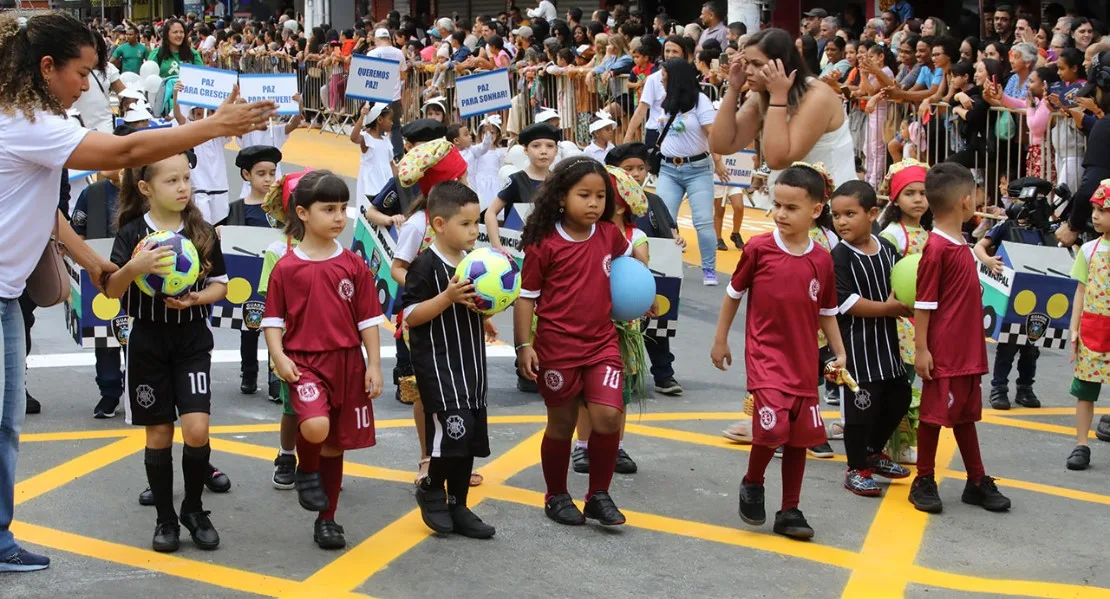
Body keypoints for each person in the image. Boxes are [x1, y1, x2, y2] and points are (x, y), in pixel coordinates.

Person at [0, 11, 274, 573]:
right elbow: (125, 154)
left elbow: (46, 214)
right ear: (46, 67)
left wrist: (96, 264)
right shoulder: (25, 123)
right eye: (81, 73)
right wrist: (216, 127)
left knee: (6, 426)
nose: (87, 85)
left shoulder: (26, 119)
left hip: (7, 297)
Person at [710, 164, 847, 540]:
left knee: (800, 437)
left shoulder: (821, 259)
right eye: (777, 205)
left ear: (816, 211)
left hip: (804, 362)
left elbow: (827, 311)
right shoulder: (759, 249)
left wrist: (839, 351)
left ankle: (790, 509)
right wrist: (720, 339)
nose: (781, 214)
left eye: (791, 207)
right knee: (774, 429)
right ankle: (753, 481)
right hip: (766, 357)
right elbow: (734, 294)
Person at [105, 148, 229, 553]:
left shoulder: (202, 231)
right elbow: (112, 290)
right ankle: (165, 518)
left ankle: (193, 508)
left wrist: (196, 300)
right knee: (158, 432)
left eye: (186, 179)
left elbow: (221, 285)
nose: (182, 188)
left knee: (196, 429)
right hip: (148, 343)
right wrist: (135, 268)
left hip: (191, 340)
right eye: (171, 181)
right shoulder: (130, 235)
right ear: (145, 188)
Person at [262, 170, 386, 550]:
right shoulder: (286, 266)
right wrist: (279, 356)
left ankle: (327, 519)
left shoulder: (353, 264)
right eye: (328, 208)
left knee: (335, 444)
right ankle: (306, 468)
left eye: (343, 208)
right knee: (314, 428)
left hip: (347, 363)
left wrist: (374, 364)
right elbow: (272, 321)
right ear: (302, 212)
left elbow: (368, 321)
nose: (338, 216)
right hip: (304, 363)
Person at [515, 158, 636, 527]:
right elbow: (526, 297)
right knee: (561, 424)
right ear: (561, 198)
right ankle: (556, 494)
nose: (594, 203)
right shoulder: (544, 243)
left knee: (608, 416)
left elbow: (627, 273)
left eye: (601, 196)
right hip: (557, 348)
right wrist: (524, 346)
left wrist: (638, 302)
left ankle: (599, 494)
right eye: (584, 195)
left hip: (602, 343)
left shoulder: (608, 235)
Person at [910, 162, 1011, 515]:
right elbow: (923, 304)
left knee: (965, 415)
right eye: (977, 194)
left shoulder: (960, 243)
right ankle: (923, 479)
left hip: (967, 350)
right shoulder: (937, 248)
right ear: (966, 202)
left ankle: (977, 480)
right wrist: (922, 349)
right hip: (945, 351)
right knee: (933, 416)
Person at [404, 181, 496, 538]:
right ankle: (431, 488)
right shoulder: (425, 265)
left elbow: (474, 303)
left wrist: (484, 317)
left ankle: (458, 503)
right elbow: (410, 314)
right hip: (440, 367)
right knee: (451, 435)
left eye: (477, 223)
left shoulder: (475, 263)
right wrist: (447, 297)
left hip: (471, 364)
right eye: (467, 224)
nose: (475, 231)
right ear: (439, 224)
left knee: (470, 436)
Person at [711, 28, 856, 215]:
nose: (747, 71)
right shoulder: (763, 94)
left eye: (756, 64)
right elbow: (721, 144)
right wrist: (733, 88)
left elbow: (776, 159)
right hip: (795, 210)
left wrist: (778, 97)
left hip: (833, 212)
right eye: (746, 63)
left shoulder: (817, 96)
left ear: (782, 65)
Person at [828, 180, 913, 497]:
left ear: (873, 213)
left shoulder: (887, 249)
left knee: (898, 398)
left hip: (888, 347)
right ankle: (856, 467)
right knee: (860, 408)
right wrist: (889, 308)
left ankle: (873, 452)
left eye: (850, 213)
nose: (841, 222)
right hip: (856, 350)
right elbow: (846, 303)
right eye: (836, 215)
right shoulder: (839, 256)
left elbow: (902, 283)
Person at [569, 165, 651, 476]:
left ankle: (616, 446)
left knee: (620, 390)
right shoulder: (582, 234)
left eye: (601, 197)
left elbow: (641, 271)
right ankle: (584, 445)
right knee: (584, 391)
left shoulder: (635, 236)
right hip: (587, 324)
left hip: (624, 326)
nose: (593, 204)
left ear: (616, 205)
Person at [606, 143, 686, 397]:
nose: (636, 173)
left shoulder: (654, 201)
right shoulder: (602, 206)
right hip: (610, 286)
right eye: (628, 168)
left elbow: (668, 231)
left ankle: (664, 374)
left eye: (641, 168)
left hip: (649, 279)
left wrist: (676, 242)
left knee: (658, 328)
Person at [653, 58, 725, 286]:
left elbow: (711, 133)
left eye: (664, 75)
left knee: (703, 221)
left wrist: (718, 161)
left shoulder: (700, 100)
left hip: (697, 169)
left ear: (676, 78)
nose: (661, 79)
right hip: (668, 168)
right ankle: (665, 268)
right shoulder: (665, 101)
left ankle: (709, 269)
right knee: (664, 219)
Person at [973, 204, 1045, 411]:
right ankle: (999, 387)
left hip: (1036, 298)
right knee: (1008, 347)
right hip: (1010, 297)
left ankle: (1025, 388)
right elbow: (979, 246)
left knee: (1031, 348)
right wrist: (988, 261)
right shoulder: (1006, 227)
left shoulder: (1042, 230)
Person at [1067, 179, 1110, 471]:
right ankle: (1081, 444)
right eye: (1094, 209)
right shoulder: (1089, 250)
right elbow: (1080, 290)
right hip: (1093, 328)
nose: (1095, 215)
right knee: (1085, 388)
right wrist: (1074, 327)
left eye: (1103, 210)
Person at [485, 122, 559, 256]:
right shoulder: (516, 180)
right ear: (526, 150)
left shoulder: (558, 182)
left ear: (556, 150)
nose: (543, 151)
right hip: (520, 254)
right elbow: (490, 213)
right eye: (536, 146)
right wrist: (497, 246)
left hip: (551, 254)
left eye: (550, 146)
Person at [352, 102, 396, 204]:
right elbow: (354, 138)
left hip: (385, 183)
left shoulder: (386, 140)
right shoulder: (367, 139)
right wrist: (362, 117)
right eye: (390, 119)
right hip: (370, 184)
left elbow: (391, 164)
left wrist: (398, 181)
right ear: (379, 119)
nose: (392, 123)